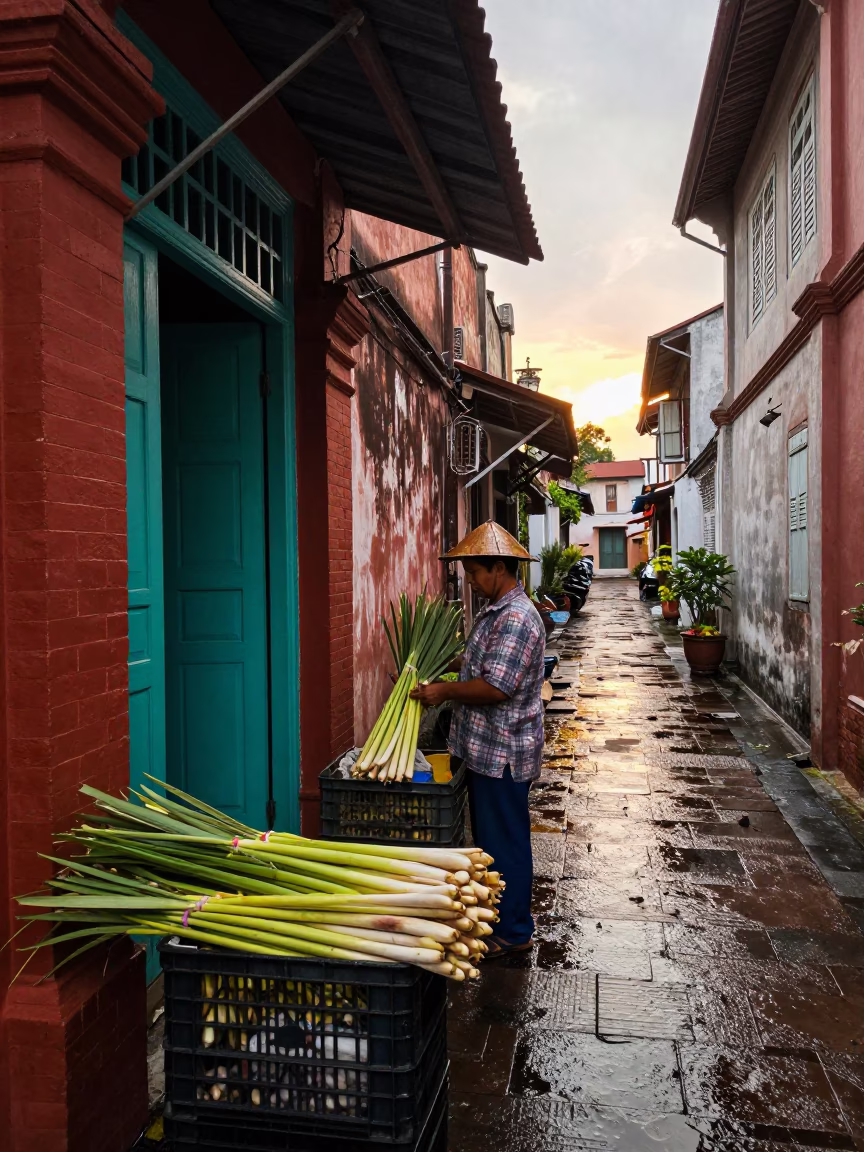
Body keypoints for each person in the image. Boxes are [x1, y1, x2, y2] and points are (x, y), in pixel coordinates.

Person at [411, 521, 545, 958]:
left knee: (505, 840)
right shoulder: (495, 613)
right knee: (491, 839)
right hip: (483, 749)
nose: (470, 581)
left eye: (475, 573)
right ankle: (500, 920)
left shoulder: (517, 618)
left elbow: (497, 687)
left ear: (500, 568)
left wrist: (444, 690)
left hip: (502, 751)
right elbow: (478, 662)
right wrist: (440, 663)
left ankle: (515, 932)